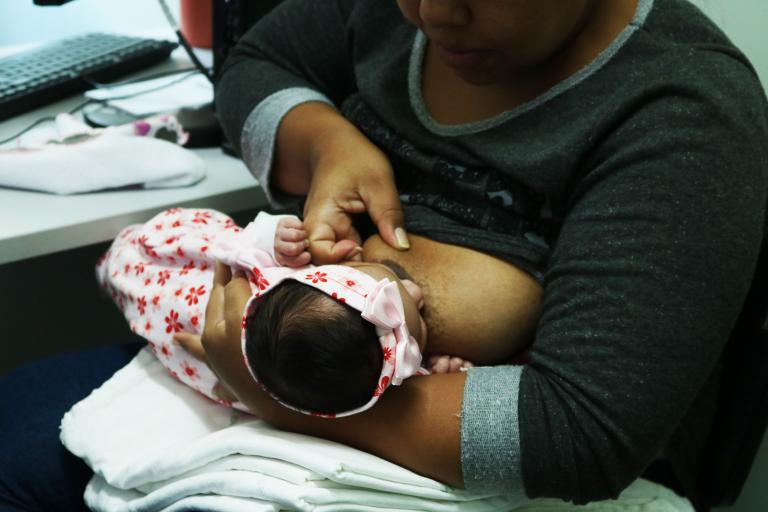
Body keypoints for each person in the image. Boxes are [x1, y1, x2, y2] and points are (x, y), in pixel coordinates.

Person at [1, 0, 766, 510]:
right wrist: (325, 140)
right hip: (259, 358)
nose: (434, 15)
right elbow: (257, 59)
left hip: (420, 428)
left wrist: (280, 395)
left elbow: (577, 432)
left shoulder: (681, 113)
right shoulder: (390, 13)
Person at [97, 207, 473, 417]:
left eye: (416, 322)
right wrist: (442, 372)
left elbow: (240, 253)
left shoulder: (269, 284)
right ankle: (112, 265)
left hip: (174, 295)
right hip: (167, 278)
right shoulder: (340, 366)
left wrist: (276, 238)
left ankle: (111, 267)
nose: (415, 290)